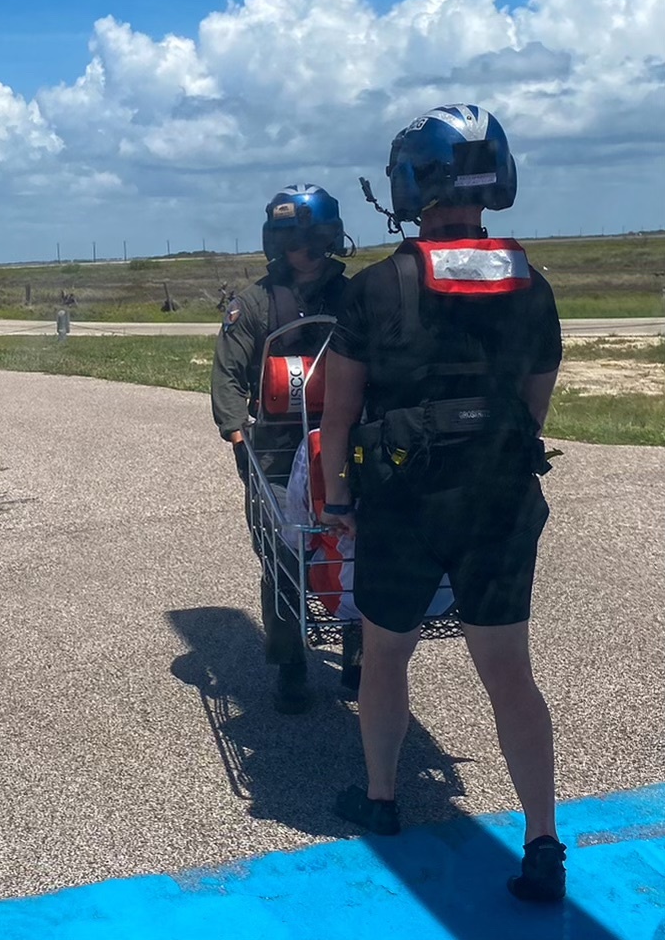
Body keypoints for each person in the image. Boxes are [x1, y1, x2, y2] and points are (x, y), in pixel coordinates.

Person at [319, 105, 565, 902]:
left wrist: (338, 498)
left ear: (409, 183)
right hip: (496, 497)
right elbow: (534, 406)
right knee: (507, 671)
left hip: (401, 499)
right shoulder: (532, 283)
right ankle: (540, 842)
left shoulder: (374, 287)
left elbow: (339, 411)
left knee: (386, 654)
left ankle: (382, 798)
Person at [212, 183, 352, 713]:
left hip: (346, 442)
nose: (306, 253)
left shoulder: (356, 296)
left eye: (315, 242)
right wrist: (236, 430)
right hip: (272, 448)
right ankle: (291, 664)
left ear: (331, 240)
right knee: (282, 556)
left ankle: (358, 652)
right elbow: (227, 376)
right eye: (295, 242)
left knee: (353, 546)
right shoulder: (250, 304)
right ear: (277, 244)